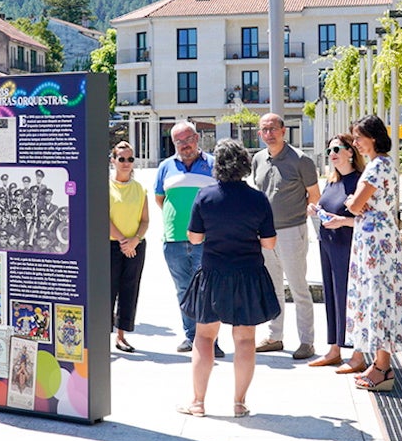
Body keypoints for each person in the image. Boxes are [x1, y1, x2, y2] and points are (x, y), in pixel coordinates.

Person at [177, 139, 280, 418]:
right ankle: (239, 402)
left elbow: (195, 237)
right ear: (245, 164)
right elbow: (269, 243)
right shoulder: (258, 199)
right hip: (248, 275)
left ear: (217, 166)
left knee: (204, 337)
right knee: (245, 340)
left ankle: (198, 402)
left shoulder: (205, 197)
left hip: (213, 274)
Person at [343, 115, 402, 390]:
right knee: (380, 297)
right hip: (380, 236)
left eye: (359, 137)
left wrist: (351, 200)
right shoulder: (385, 165)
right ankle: (379, 363)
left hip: (374, 240)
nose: (355, 142)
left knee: (377, 297)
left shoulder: (374, 168)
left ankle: (382, 367)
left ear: (373, 137)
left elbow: (355, 205)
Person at [251, 113, 320, 359]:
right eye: (264, 130)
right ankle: (274, 336)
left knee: (299, 288)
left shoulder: (301, 160)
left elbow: (314, 195)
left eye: (272, 129)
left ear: (283, 131)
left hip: (292, 232)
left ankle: (307, 341)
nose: (268, 133)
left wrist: (298, 216)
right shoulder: (258, 159)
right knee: (272, 287)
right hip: (265, 234)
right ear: (260, 134)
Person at [155, 121, 223, 357]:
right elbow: (160, 199)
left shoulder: (214, 164)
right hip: (173, 240)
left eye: (188, 139)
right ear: (174, 143)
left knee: (207, 290)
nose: (185, 145)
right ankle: (191, 336)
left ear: (197, 137)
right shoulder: (165, 167)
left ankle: (210, 340)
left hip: (207, 240)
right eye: (179, 141)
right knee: (183, 290)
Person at [307, 134, 364, 368]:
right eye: (329, 150)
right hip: (328, 244)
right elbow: (327, 206)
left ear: (351, 152)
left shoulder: (361, 182)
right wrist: (315, 209)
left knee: (349, 298)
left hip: (348, 246)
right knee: (331, 295)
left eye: (337, 149)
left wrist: (343, 221)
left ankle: (358, 355)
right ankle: (334, 349)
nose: (332, 154)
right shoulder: (332, 181)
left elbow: (368, 220)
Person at [108, 141, 149, 353]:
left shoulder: (140, 189)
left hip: (135, 247)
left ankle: (122, 336)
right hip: (111, 246)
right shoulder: (105, 187)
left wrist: (135, 240)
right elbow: (103, 219)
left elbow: (145, 220)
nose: (126, 163)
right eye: (121, 159)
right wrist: (124, 241)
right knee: (107, 291)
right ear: (113, 160)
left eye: (130, 159)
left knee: (129, 290)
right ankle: (102, 338)